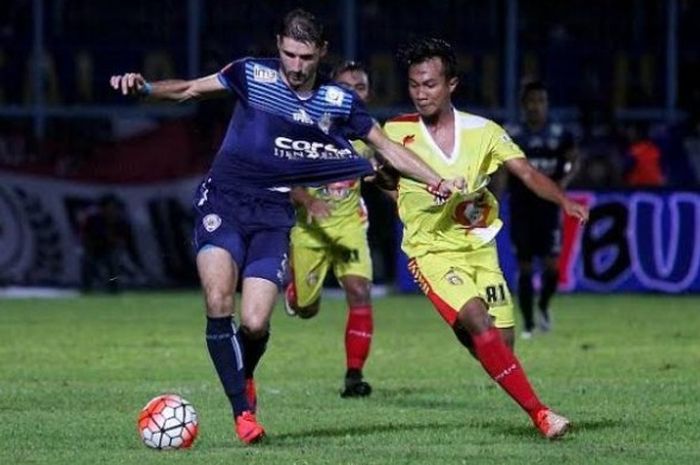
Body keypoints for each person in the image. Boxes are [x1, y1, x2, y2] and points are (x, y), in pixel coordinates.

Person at [109, 10, 463, 445]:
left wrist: (437, 180)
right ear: (278, 45)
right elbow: (186, 89)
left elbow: (387, 148)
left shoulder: (338, 102)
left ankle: (246, 376)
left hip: (273, 214)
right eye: (289, 54)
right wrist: (143, 86)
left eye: (306, 57)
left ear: (322, 54)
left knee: (256, 323)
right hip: (223, 201)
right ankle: (244, 414)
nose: (296, 66)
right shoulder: (250, 75)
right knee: (219, 297)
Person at [382, 37, 588, 439]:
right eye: (414, 85)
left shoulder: (484, 132)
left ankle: (480, 340)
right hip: (431, 252)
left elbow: (526, 172)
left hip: (479, 248)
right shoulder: (396, 131)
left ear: (451, 85)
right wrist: (391, 189)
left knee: (500, 346)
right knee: (478, 320)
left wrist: (563, 199)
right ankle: (542, 415)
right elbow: (381, 174)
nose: (421, 93)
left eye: (430, 85)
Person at [284, 61, 375, 398]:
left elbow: (385, 171)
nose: (354, 94)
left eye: (361, 87)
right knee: (307, 310)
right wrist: (308, 201)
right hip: (309, 231)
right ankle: (296, 291)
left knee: (359, 292)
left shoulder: (369, 133)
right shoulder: (307, 129)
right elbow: (287, 181)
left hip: (349, 228)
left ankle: (354, 376)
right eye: (346, 87)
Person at [505, 81, 579, 339]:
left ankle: (544, 306)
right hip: (521, 208)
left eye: (541, 101)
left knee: (551, 267)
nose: (536, 106)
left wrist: (564, 183)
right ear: (524, 105)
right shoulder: (512, 133)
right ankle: (527, 324)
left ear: (546, 104)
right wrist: (496, 194)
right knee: (524, 266)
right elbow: (502, 169)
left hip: (547, 208)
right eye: (531, 101)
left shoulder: (560, 133)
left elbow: (573, 159)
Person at [79, 194, 130, 293]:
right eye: (109, 206)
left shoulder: (120, 221)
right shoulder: (93, 219)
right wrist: (89, 247)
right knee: (87, 262)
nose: (111, 209)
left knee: (113, 263)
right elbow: (85, 236)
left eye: (113, 207)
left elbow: (121, 240)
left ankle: (114, 289)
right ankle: (86, 290)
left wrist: (113, 241)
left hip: (110, 250)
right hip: (93, 249)